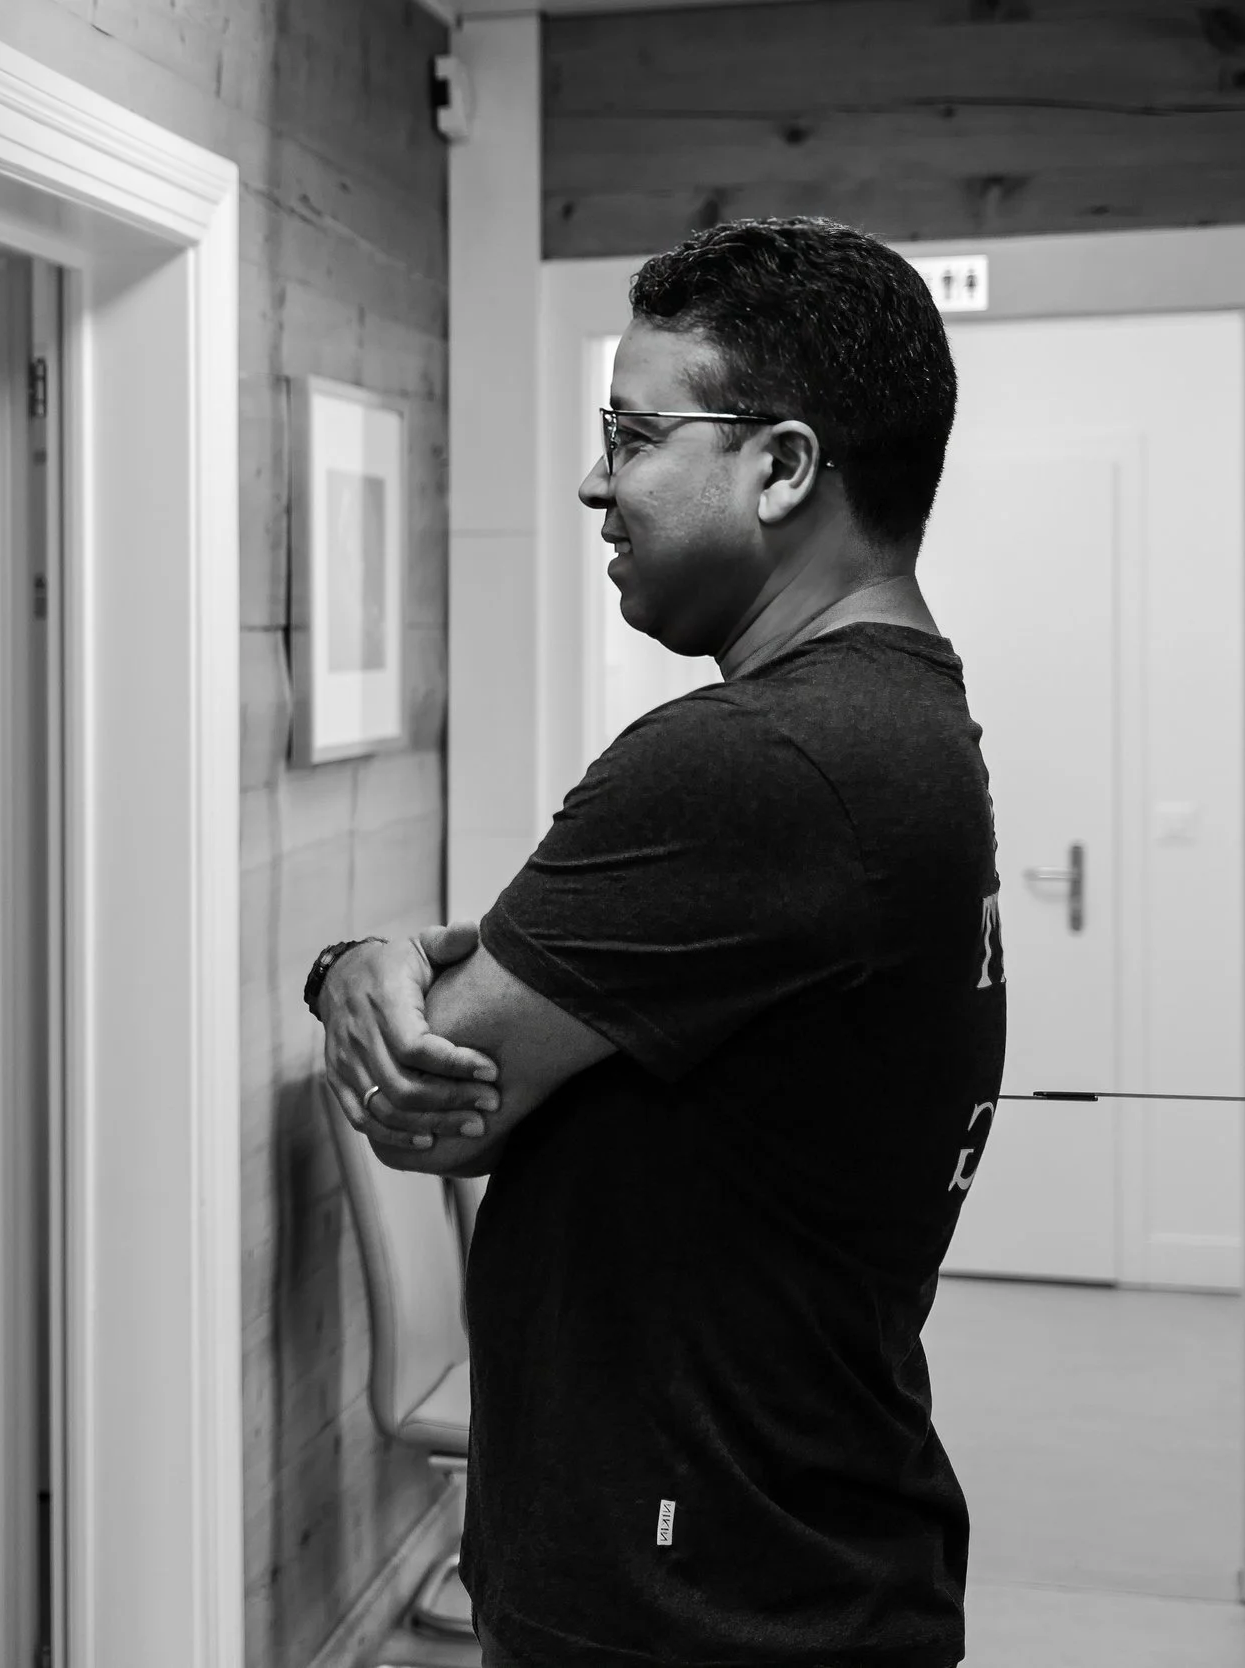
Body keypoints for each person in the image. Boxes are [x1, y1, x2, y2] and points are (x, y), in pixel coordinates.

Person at [305, 217, 1006, 1668]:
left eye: (633, 433)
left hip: (700, 1599)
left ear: (784, 465)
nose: (592, 480)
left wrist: (367, 979)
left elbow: (438, 1105)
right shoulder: (899, 725)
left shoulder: (757, 761)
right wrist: (358, 965)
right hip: (782, 1550)